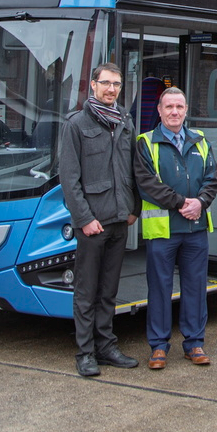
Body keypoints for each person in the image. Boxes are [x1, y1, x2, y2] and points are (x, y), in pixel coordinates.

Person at [57, 62, 143, 377]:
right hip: (93, 225)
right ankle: (85, 353)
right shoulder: (76, 124)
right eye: (105, 83)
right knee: (86, 291)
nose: (111, 89)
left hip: (121, 221)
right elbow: (69, 178)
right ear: (93, 85)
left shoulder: (126, 122)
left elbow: (134, 171)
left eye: (116, 84)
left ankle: (106, 347)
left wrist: (135, 208)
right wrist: (84, 219)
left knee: (108, 290)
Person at [135, 87, 217, 370]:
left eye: (179, 107)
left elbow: (212, 179)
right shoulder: (145, 143)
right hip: (163, 230)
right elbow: (147, 185)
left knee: (196, 288)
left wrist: (201, 202)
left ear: (186, 110)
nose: (174, 112)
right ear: (159, 111)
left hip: (195, 229)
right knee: (159, 288)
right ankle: (158, 347)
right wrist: (183, 202)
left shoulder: (200, 141)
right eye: (168, 107)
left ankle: (194, 343)